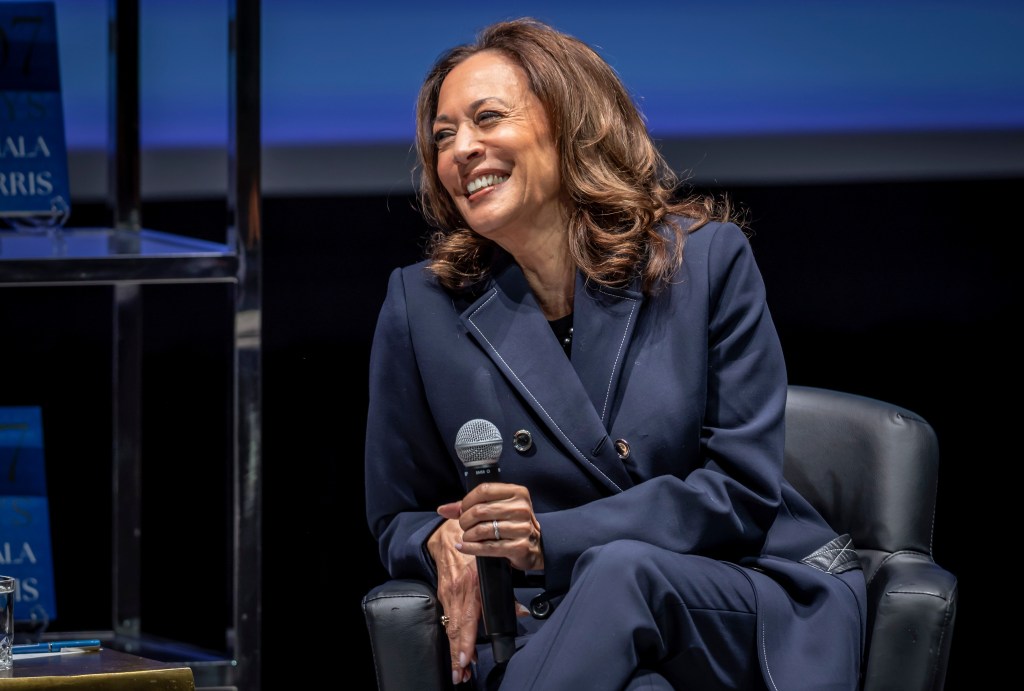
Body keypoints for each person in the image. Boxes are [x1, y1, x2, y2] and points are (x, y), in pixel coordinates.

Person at [364, 17, 867, 691]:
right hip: (549, 622)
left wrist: (547, 538)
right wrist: (440, 540)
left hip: (737, 593)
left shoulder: (705, 262)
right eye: (444, 136)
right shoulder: (420, 307)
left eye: (487, 118)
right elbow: (397, 514)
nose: (462, 148)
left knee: (620, 570)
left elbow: (739, 493)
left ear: (569, 122)